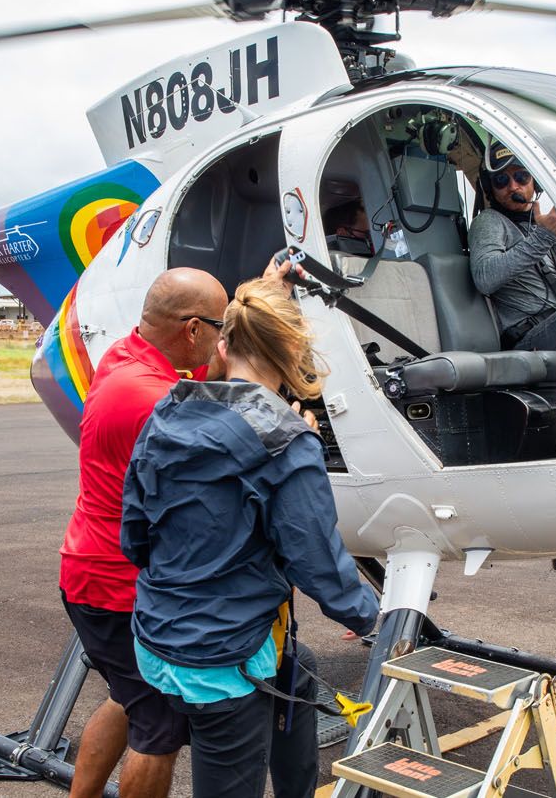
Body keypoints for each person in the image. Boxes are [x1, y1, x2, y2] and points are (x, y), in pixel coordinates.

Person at [121, 278, 381, 798]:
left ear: (223, 346)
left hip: (154, 637)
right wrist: (375, 619)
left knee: (298, 670)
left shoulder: (167, 412)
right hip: (220, 659)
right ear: (293, 355)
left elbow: (135, 538)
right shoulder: (286, 440)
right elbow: (318, 565)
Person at [58, 266, 228, 798]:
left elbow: (201, 379)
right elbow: (229, 446)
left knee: (127, 700)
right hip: (118, 587)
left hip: (89, 569)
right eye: (220, 329)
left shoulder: (126, 357)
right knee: (160, 729)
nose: (224, 340)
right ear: (194, 330)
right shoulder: (150, 399)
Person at [469, 142, 556, 350]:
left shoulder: (541, 223)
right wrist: (543, 238)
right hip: (529, 336)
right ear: (489, 188)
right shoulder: (490, 221)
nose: (513, 186)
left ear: (534, 181)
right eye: (501, 180)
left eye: (521, 177)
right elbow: (485, 277)